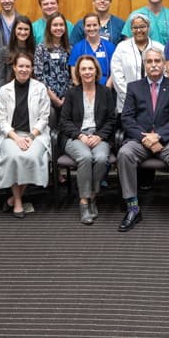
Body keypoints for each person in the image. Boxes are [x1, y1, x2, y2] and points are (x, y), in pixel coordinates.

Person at [117, 47, 169, 231]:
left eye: (157, 61)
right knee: (124, 153)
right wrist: (146, 138)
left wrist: (159, 136)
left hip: (167, 139)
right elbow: (127, 118)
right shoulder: (134, 87)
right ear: (144, 65)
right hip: (141, 139)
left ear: (164, 64)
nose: (154, 64)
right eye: (149, 61)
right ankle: (132, 207)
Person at [0, 52, 51, 217]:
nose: (24, 69)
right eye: (21, 66)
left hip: (35, 134)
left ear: (32, 69)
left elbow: (44, 118)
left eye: (27, 66)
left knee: (31, 157)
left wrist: (29, 138)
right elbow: (0, 120)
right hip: (10, 135)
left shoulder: (40, 88)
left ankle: (13, 200)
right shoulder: (4, 90)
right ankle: (18, 201)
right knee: (14, 157)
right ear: (14, 67)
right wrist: (16, 138)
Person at [59, 56, 117, 225]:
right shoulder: (71, 93)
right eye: (83, 69)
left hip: (99, 135)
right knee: (84, 157)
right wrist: (80, 135)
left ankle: (93, 195)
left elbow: (111, 120)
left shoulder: (106, 92)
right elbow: (64, 121)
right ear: (78, 72)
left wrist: (99, 136)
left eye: (90, 68)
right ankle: (84, 202)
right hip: (75, 136)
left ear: (96, 71)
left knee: (100, 158)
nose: (87, 72)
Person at [110, 14, 163, 114]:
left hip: (155, 103)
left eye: (142, 26)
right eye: (135, 27)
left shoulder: (159, 48)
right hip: (127, 104)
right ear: (131, 29)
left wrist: (153, 98)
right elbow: (117, 76)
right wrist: (131, 99)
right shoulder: (121, 48)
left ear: (148, 27)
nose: (139, 30)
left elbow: (164, 74)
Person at [33, 12, 73, 111]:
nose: (58, 28)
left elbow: (72, 75)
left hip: (66, 97)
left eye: (61, 25)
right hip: (46, 97)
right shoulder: (41, 48)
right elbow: (39, 75)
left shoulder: (69, 49)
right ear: (49, 28)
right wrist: (54, 98)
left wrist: (66, 97)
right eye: (55, 25)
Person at [69, 12, 116, 86]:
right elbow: (74, 75)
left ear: (99, 26)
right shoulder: (77, 48)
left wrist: (107, 89)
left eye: (95, 25)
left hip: (105, 89)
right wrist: (82, 92)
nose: (92, 28)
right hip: (83, 90)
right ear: (84, 28)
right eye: (88, 25)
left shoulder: (110, 47)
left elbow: (114, 71)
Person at [0, 14, 35, 90]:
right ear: (14, 30)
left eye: (26, 29)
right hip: (10, 93)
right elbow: (1, 78)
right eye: (20, 29)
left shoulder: (35, 50)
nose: (23, 32)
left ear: (30, 31)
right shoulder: (3, 51)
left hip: (30, 92)